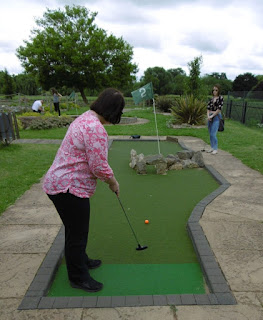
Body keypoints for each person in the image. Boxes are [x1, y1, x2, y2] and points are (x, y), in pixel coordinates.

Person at [42, 88, 124, 293]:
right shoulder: (95, 128)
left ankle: (81, 260)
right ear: (113, 110)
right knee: (77, 233)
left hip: (60, 184)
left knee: (73, 229)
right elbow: (98, 166)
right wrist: (113, 182)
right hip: (68, 187)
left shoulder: (86, 117)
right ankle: (78, 277)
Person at [206, 84, 224, 155]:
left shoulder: (220, 98)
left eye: (216, 90)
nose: (214, 91)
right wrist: (208, 116)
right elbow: (208, 108)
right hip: (210, 116)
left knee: (213, 133)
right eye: (213, 90)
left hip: (216, 116)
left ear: (218, 91)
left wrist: (212, 115)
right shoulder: (211, 99)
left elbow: (219, 109)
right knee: (210, 133)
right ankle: (212, 147)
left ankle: (215, 148)